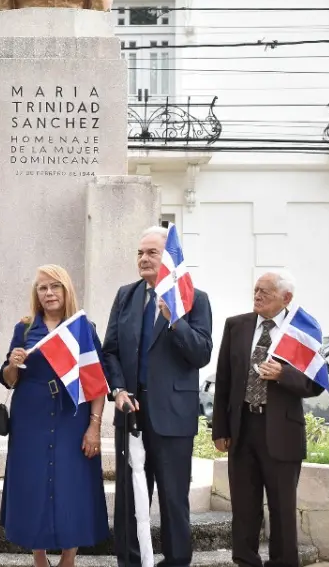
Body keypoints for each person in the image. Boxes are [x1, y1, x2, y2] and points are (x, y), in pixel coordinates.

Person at [102, 226, 212, 567]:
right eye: (140, 253)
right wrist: (118, 390)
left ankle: (176, 560)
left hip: (173, 415)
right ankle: (131, 561)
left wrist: (175, 322)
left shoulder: (194, 298)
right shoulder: (126, 295)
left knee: (173, 498)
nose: (144, 259)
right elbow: (111, 352)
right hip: (130, 412)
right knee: (130, 498)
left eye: (152, 253)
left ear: (168, 258)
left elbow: (202, 353)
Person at [211, 271, 325, 567]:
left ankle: (282, 562)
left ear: (286, 298)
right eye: (256, 291)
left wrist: (283, 374)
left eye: (266, 292)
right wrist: (220, 428)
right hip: (242, 427)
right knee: (244, 507)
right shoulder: (237, 325)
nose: (257, 296)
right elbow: (224, 379)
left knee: (282, 507)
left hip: (281, 430)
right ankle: (246, 561)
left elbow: (315, 383)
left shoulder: (300, 330)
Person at [0, 264, 108, 567]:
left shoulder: (82, 328)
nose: (48, 293)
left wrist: (94, 427)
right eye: (42, 287)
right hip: (30, 417)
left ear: (66, 289)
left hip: (71, 416)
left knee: (72, 484)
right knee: (33, 483)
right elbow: (9, 379)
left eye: (54, 286)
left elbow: (96, 383)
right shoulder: (24, 328)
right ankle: (38, 557)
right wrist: (13, 363)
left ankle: (69, 558)